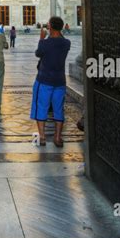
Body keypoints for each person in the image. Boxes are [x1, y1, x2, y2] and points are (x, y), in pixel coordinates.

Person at [30, 16, 71, 147]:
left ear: (50, 27)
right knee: (58, 109)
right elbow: (59, 40)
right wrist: (55, 31)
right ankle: (57, 137)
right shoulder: (66, 43)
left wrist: (42, 38)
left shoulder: (45, 43)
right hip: (60, 81)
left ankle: (42, 137)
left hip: (44, 80)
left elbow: (38, 53)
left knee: (41, 107)